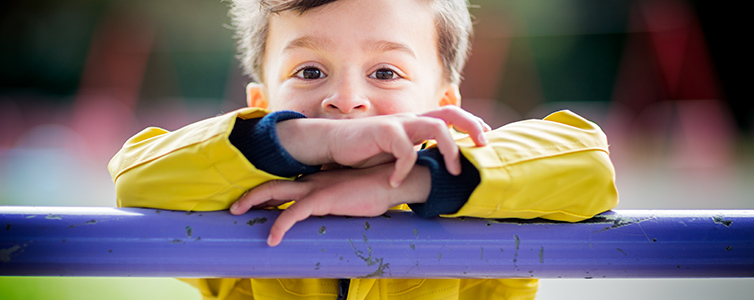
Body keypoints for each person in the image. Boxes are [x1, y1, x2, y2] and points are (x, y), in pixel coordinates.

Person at [108, 0, 619, 299]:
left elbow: (589, 162)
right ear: (261, 107)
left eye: (385, 73)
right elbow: (135, 178)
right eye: (310, 72)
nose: (346, 100)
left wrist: (413, 180)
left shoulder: (486, 191)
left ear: (443, 104)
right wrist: (305, 139)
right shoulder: (245, 202)